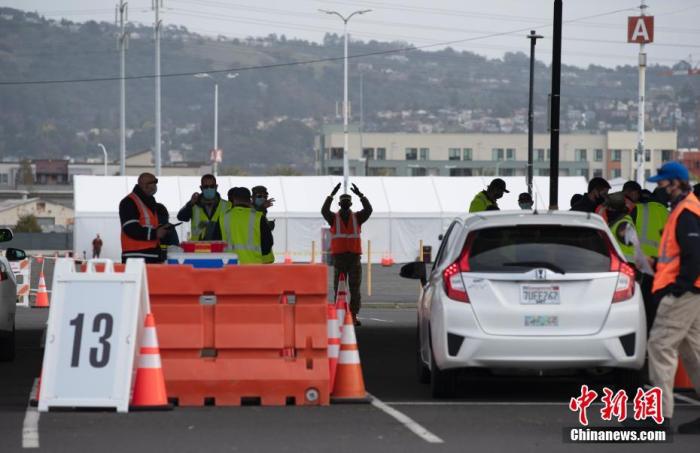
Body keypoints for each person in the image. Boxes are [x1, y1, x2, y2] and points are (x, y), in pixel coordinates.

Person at [645, 162, 700, 434]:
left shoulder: (686, 212)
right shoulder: (687, 209)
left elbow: (694, 257)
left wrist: (678, 288)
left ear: (676, 182)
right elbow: (682, 255)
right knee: (693, 354)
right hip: (693, 293)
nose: (660, 187)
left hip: (684, 294)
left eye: (663, 182)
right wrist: (655, 264)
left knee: (660, 347)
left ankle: (658, 417)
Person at [322, 183, 373, 326]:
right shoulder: (333, 218)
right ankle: (339, 315)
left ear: (351, 203)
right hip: (340, 259)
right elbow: (324, 210)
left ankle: (353, 315)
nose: (346, 203)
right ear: (339, 203)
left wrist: (361, 195)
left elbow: (369, 209)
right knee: (339, 289)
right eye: (343, 200)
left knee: (354, 289)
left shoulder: (358, 217)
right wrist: (331, 194)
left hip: (353, 258)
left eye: (348, 201)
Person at [119, 172, 169, 263]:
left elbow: (150, 224)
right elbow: (131, 228)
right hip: (135, 258)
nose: (155, 185)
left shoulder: (149, 202)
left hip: (150, 255)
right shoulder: (129, 202)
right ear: (144, 185)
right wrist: (155, 233)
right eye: (153, 182)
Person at [219, 187, 273, 265]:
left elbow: (216, 241)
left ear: (234, 200)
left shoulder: (223, 217)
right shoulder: (258, 217)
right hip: (253, 267)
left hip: (230, 266)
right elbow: (267, 243)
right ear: (249, 200)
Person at [177, 174, 229, 241]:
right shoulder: (194, 205)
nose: (209, 189)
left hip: (219, 247)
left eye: (212, 186)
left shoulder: (226, 205)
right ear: (201, 188)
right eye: (206, 187)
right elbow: (181, 217)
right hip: (199, 248)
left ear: (216, 187)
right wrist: (190, 203)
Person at [252, 185, 276, 263]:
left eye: (265, 196)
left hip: (265, 258)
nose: (263, 198)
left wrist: (267, 227)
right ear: (252, 197)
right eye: (259, 196)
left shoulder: (262, 211)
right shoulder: (249, 210)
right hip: (255, 258)